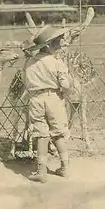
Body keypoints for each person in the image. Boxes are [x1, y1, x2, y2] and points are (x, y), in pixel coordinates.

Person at [23, 25, 72, 183]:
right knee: (58, 133)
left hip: (36, 99)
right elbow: (65, 85)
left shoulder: (30, 62)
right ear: (49, 45)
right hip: (54, 98)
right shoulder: (56, 62)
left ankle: (41, 171)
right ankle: (65, 167)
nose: (60, 45)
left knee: (41, 135)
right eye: (57, 42)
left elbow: (26, 81)